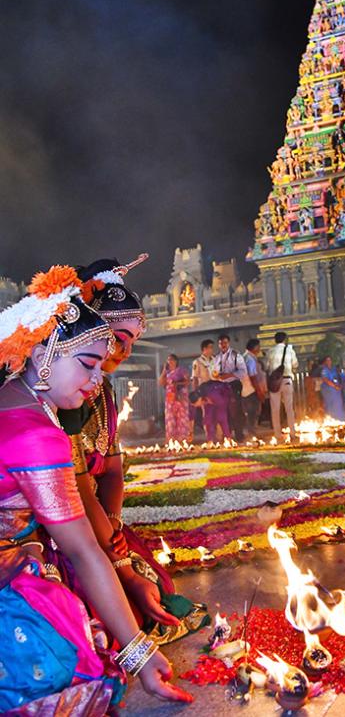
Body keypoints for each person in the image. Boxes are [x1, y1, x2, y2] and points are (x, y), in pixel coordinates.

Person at [0, 265, 191, 711]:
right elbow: (85, 552)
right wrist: (141, 655)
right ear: (43, 350)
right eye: (88, 365)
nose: (96, 380)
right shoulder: (35, 431)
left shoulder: (12, 398)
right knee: (69, 647)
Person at [58, 258, 208, 644]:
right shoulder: (60, 393)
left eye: (131, 341)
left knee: (156, 582)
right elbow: (74, 488)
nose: (123, 350)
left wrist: (114, 526)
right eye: (116, 337)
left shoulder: (102, 390)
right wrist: (119, 561)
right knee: (99, 606)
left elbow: (111, 469)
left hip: (92, 515)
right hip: (56, 522)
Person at [212, 332, 248, 441]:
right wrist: (216, 376)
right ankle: (227, 435)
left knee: (236, 410)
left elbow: (243, 372)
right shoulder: (217, 357)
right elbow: (213, 372)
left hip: (233, 384)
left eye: (225, 343)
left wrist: (229, 374)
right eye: (220, 343)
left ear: (229, 343)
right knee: (224, 410)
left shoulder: (235, 355)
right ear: (218, 345)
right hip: (221, 386)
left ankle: (239, 434)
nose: (223, 345)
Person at [266, 331, 299, 440]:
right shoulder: (290, 351)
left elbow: (268, 366)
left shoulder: (270, 351)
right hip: (287, 381)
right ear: (285, 340)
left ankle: (277, 435)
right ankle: (292, 433)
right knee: (289, 409)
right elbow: (295, 364)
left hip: (275, 383)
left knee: (275, 409)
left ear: (275, 340)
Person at [160, 354, 192, 441]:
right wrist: (163, 371)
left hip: (181, 396)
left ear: (176, 361)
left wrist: (177, 384)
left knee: (181, 418)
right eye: (168, 360)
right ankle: (171, 440)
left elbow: (188, 381)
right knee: (170, 418)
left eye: (171, 360)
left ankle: (182, 439)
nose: (170, 362)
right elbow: (161, 383)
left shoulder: (181, 370)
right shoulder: (166, 372)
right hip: (170, 397)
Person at [192, 339, 218, 440]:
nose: (212, 350)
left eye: (212, 347)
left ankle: (218, 436)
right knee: (207, 415)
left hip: (216, 390)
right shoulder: (197, 362)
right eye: (210, 347)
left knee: (217, 413)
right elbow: (194, 378)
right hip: (205, 391)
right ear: (204, 349)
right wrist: (196, 394)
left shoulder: (215, 360)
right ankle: (210, 437)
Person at [242, 338, 266, 435]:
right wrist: (259, 391)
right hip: (251, 390)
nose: (259, 349)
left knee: (250, 413)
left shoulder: (245, 357)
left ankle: (251, 432)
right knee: (253, 413)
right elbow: (252, 376)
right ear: (255, 347)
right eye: (259, 347)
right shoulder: (250, 358)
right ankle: (252, 434)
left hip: (247, 390)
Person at [319, 355, 345, 421]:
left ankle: (340, 420)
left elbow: (341, 376)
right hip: (328, 390)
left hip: (336, 391)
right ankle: (330, 420)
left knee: (338, 405)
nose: (329, 362)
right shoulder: (324, 370)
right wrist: (334, 386)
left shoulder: (334, 369)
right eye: (327, 360)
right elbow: (325, 379)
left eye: (330, 360)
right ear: (325, 362)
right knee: (330, 405)